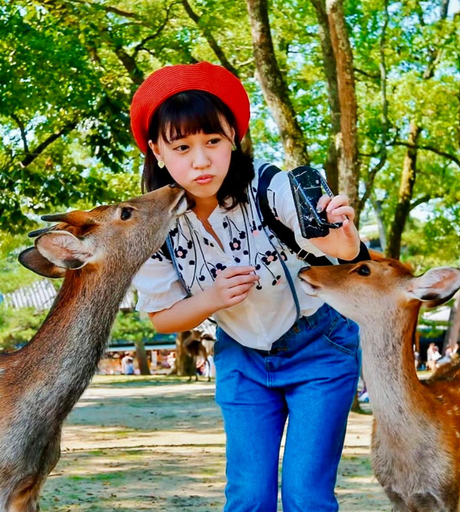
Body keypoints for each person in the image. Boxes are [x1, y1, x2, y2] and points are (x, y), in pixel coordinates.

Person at [130, 62, 361, 512]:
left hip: (320, 347)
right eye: (182, 147)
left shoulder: (270, 187)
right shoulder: (151, 227)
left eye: (213, 141)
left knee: (306, 496)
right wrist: (212, 298)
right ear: (157, 150)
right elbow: (162, 318)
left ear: (233, 137)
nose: (201, 160)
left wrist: (342, 231)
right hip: (241, 357)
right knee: (248, 497)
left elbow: (341, 248)